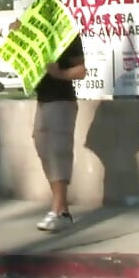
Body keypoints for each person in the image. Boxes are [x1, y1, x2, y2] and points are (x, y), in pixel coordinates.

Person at [32, 34, 86, 232]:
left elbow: (81, 71)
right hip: (43, 100)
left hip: (61, 100)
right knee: (43, 148)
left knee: (58, 152)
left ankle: (59, 210)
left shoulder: (67, 34)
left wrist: (60, 74)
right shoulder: (35, 33)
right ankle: (60, 209)